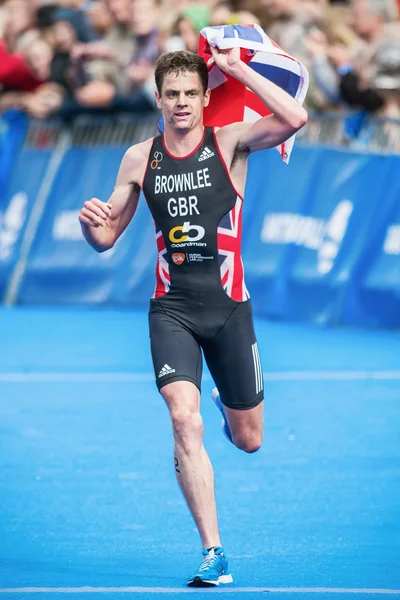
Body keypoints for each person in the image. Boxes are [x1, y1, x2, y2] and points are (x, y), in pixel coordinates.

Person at [78, 48, 307, 587]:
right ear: (158, 99)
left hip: (230, 309)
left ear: (206, 97)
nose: (181, 103)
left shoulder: (230, 141)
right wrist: (91, 225)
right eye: (171, 94)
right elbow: (106, 237)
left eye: (190, 93)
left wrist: (241, 67)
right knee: (184, 418)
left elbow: (295, 119)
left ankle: (225, 408)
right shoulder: (140, 158)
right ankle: (214, 552)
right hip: (172, 310)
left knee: (248, 439)